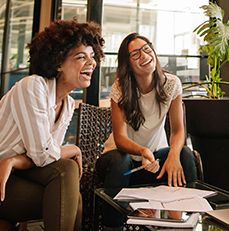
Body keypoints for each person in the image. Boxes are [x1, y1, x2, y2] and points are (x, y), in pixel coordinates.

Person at [0, 18, 105, 230]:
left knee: (67, 183)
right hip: (3, 179)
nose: (91, 62)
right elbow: (44, 154)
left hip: (15, 172)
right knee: (67, 182)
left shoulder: (66, 104)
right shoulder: (32, 86)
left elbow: (47, 159)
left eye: (92, 56)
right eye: (80, 56)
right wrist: (73, 148)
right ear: (58, 63)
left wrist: (13, 161)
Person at [95, 33, 197, 230]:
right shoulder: (121, 88)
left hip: (152, 164)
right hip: (120, 165)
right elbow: (120, 138)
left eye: (147, 48)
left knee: (184, 154)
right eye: (135, 54)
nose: (144, 55)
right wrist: (142, 151)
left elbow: (177, 130)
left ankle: (188, 220)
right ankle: (112, 227)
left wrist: (173, 154)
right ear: (128, 63)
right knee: (120, 159)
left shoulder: (172, 83)